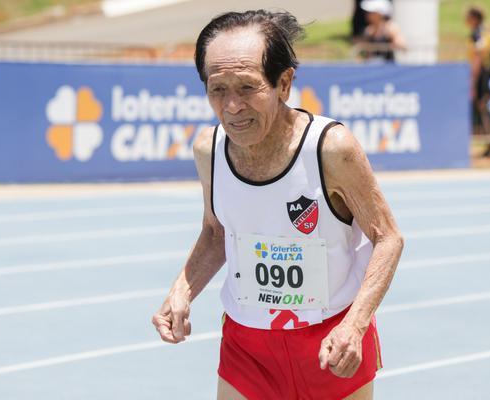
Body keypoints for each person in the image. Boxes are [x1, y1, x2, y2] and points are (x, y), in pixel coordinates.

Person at [152, 9, 404, 400]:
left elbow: (388, 238)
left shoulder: (330, 149)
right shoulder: (209, 150)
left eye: (247, 88)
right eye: (218, 89)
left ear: (284, 83)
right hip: (247, 346)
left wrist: (355, 325)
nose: (232, 106)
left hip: (331, 342)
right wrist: (181, 291)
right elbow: (216, 232)